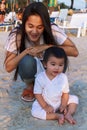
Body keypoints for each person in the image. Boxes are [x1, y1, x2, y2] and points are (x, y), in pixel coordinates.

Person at [4, 2, 79, 102]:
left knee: (58, 57)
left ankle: (50, 86)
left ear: (45, 25)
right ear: (24, 23)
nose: (34, 31)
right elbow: (8, 67)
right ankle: (30, 87)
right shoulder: (17, 35)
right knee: (26, 61)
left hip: (51, 71)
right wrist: (26, 52)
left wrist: (46, 46)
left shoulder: (52, 29)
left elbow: (74, 51)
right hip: (30, 70)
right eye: (30, 26)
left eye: (40, 27)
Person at [31, 46, 79, 125]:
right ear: (45, 64)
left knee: (74, 99)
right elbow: (37, 94)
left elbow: (65, 93)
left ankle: (68, 114)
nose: (57, 68)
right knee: (35, 111)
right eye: (53, 64)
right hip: (45, 101)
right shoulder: (40, 78)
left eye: (60, 65)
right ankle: (56, 116)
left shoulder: (63, 77)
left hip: (59, 101)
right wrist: (45, 106)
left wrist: (63, 105)